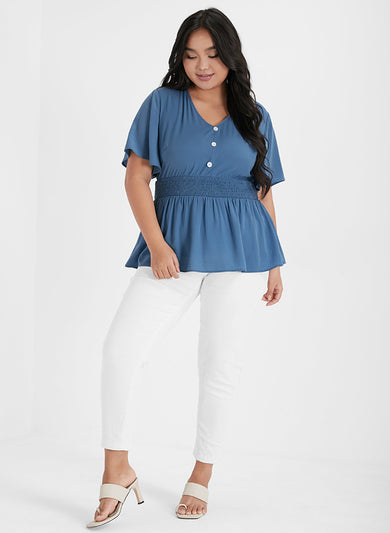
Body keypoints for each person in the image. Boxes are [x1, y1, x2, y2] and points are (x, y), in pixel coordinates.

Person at [87, 7, 287, 528]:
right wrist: (156, 245)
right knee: (121, 350)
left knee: (220, 364)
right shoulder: (161, 103)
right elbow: (136, 178)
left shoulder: (255, 114)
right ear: (180, 58)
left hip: (243, 252)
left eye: (213, 55)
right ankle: (117, 469)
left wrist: (275, 261)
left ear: (231, 57)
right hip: (171, 249)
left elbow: (262, 189)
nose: (202, 65)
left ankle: (201, 474)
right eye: (192, 55)